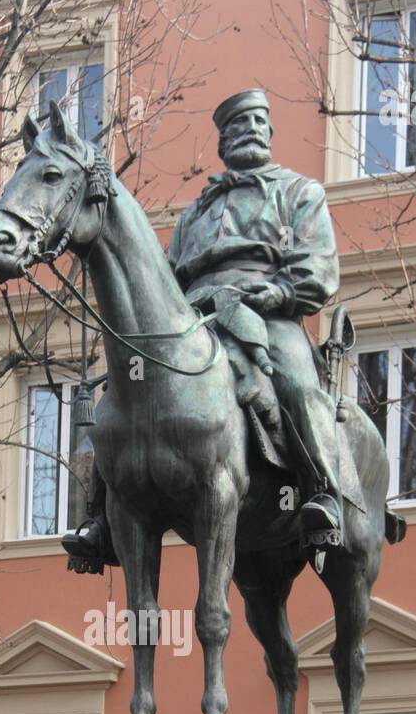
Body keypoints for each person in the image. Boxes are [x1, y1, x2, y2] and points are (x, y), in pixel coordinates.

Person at [63, 88, 346, 571]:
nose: (249, 131)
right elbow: (165, 279)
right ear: (223, 143)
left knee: (298, 382)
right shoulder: (195, 213)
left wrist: (278, 293)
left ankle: (323, 494)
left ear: (270, 133)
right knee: (127, 389)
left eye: (258, 121)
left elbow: (318, 266)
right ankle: (100, 519)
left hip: (267, 311)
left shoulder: (299, 193)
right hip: (197, 318)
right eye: (238, 126)